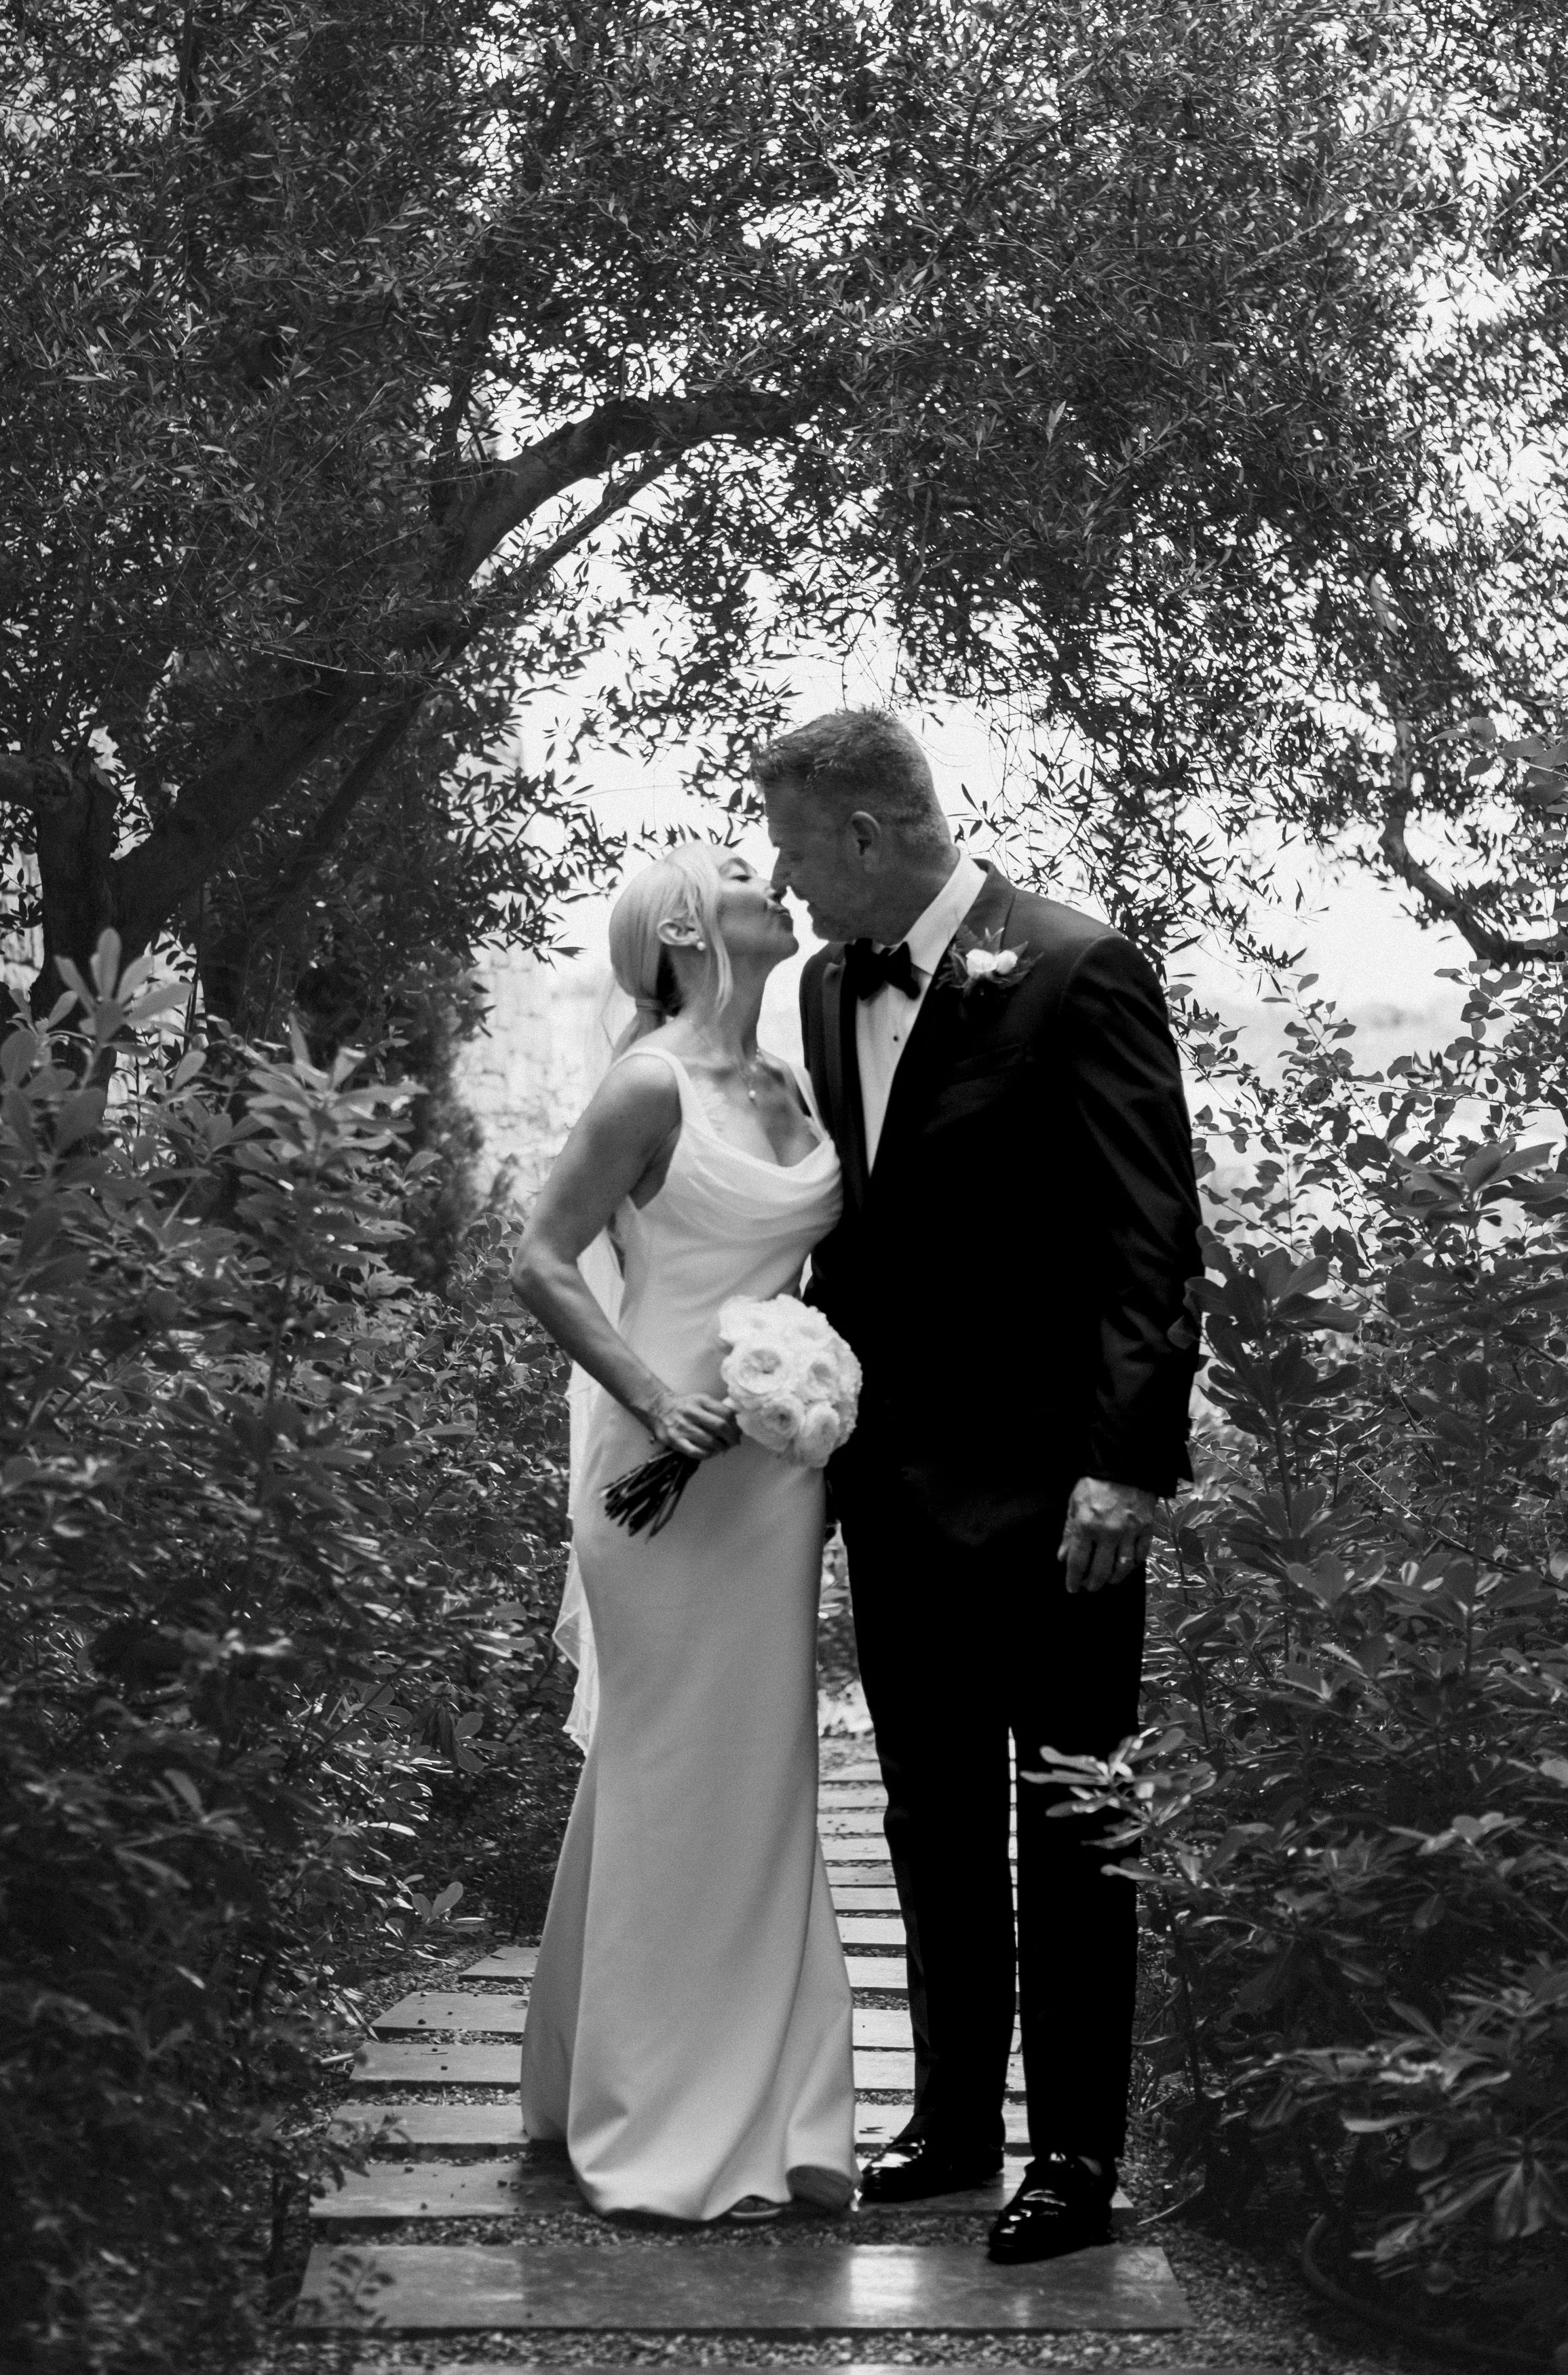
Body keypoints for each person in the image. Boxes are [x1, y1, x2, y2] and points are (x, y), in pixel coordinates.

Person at [758, 709, 1203, 2264]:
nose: (786, 879)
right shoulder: (815, 988)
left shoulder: (1078, 968)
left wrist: (1126, 1466)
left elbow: (1151, 1241)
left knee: (1069, 1820)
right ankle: (951, 2122)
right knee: (927, 1806)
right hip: (890, 1485)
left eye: (798, 847)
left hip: (1057, 1498)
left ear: (867, 838)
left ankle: (1074, 2157)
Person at [512, 843, 856, 2224]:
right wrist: (654, 1397)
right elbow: (537, 1252)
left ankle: (777, 2106)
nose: (768, 882)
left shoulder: (789, 1085)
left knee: (753, 1772)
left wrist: (809, 1371)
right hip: (654, 1457)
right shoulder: (648, 1080)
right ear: (679, 930)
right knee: (671, 1770)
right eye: (732, 874)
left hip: (770, 1473)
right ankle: (653, 2117)